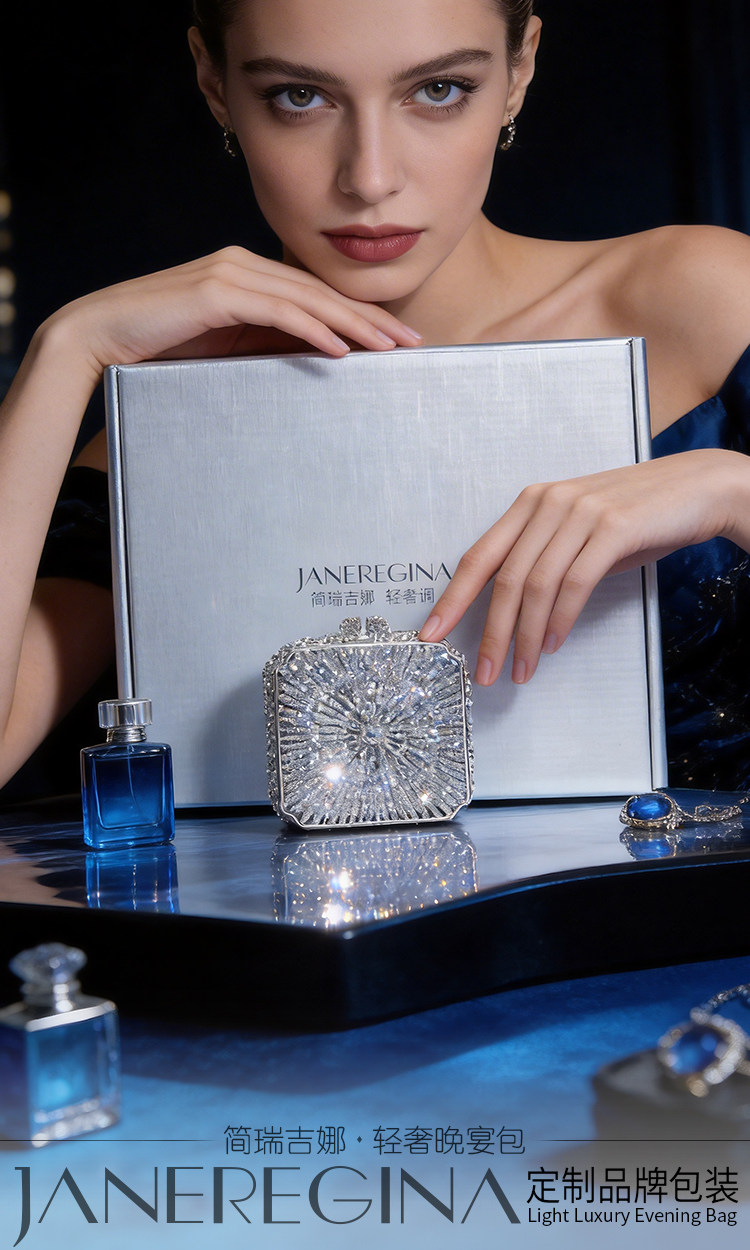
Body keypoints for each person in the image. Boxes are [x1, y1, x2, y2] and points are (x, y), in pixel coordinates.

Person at [1, 0, 749, 797]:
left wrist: (730, 490)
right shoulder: (170, 425)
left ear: (519, 69)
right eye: (299, 97)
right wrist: (67, 349)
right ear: (215, 86)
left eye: (438, 90)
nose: (370, 178)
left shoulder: (701, 300)